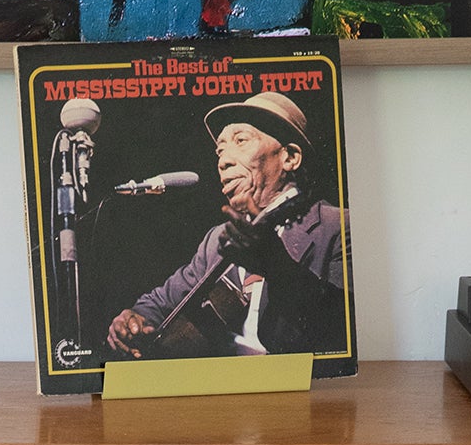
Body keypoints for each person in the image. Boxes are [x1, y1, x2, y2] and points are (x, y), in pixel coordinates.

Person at [106, 90, 348, 363]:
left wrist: (275, 264)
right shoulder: (216, 239)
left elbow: (343, 323)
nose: (223, 160)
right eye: (220, 149)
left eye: (241, 141)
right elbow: (160, 300)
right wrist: (133, 319)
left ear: (290, 157)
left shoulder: (337, 226)